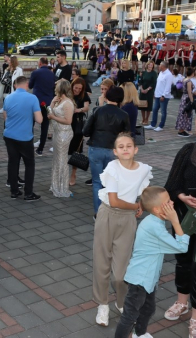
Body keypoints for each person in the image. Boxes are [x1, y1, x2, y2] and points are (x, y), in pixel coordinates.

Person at [93, 133, 153, 327]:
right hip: (108, 215)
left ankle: (121, 302)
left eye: (129, 146)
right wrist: (137, 207)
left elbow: (144, 191)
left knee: (121, 272)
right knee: (102, 263)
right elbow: (114, 200)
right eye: (121, 146)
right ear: (115, 152)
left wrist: (143, 203)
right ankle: (102, 304)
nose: (125, 149)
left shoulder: (143, 169)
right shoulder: (113, 168)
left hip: (127, 221)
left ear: (135, 149)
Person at [114, 186, 189, 338]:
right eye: (168, 202)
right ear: (157, 210)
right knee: (129, 316)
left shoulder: (154, 221)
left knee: (148, 309)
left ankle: (139, 334)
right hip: (140, 279)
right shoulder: (154, 227)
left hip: (147, 278)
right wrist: (175, 221)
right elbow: (182, 247)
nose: (172, 203)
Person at [164, 142, 196, 335]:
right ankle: (182, 303)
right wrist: (182, 197)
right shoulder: (187, 151)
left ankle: (195, 317)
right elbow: (171, 185)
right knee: (183, 260)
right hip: (184, 217)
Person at [83, 86, 130, 216]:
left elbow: (85, 131)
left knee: (97, 182)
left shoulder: (97, 111)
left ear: (107, 96)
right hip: (112, 150)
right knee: (110, 182)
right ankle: (110, 209)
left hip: (96, 147)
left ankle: (98, 213)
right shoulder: (124, 115)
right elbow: (127, 136)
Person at [3, 76, 42, 201]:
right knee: (29, 164)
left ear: (15, 85)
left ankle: (14, 191)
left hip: (9, 135)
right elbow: (39, 120)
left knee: (13, 162)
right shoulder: (32, 98)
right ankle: (28, 193)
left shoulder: (8, 98)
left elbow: (5, 117)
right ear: (26, 84)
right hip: (24, 137)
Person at [48, 79, 74, 197]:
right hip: (57, 132)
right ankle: (55, 184)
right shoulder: (59, 100)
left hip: (64, 133)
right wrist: (52, 104)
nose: (54, 88)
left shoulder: (68, 103)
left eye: (56, 86)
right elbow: (52, 113)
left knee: (62, 159)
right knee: (57, 159)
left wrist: (53, 117)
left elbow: (68, 121)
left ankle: (62, 186)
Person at [30, 57, 57, 156]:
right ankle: (40, 149)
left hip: (36, 101)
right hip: (48, 102)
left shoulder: (36, 73)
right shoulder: (52, 74)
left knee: (31, 123)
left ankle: (29, 145)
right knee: (45, 126)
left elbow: (30, 85)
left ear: (40, 63)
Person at [69, 77, 91, 186]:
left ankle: (73, 173)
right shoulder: (68, 93)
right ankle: (64, 172)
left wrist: (79, 110)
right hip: (67, 123)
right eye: (75, 88)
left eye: (79, 89)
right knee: (65, 150)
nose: (77, 90)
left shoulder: (84, 95)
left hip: (78, 123)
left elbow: (87, 108)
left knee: (76, 150)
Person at [145, 61, 172, 132]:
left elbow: (168, 87)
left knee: (163, 111)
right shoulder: (160, 73)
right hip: (157, 95)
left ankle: (161, 125)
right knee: (154, 110)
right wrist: (155, 93)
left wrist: (163, 95)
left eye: (160, 65)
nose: (158, 66)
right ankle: (153, 124)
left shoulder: (169, 75)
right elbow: (158, 84)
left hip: (164, 96)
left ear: (163, 66)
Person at [175, 67, 195, 137]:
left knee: (182, 113)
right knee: (186, 114)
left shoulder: (184, 79)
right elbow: (189, 92)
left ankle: (181, 129)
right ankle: (181, 130)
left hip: (183, 97)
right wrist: (192, 101)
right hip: (187, 98)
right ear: (192, 73)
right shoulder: (189, 81)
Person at [138, 60, 157, 125]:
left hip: (149, 91)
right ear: (147, 65)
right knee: (142, 105)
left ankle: (147, 119)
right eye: (149, 64)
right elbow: (140, 81)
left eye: (151, 65)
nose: (150, 66)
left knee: (148, 105)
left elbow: (153, 83)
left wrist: (147, 89)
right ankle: (143, 118)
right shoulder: (143, 72)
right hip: (142, 90)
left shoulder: (154, 73)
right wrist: (141, 89)